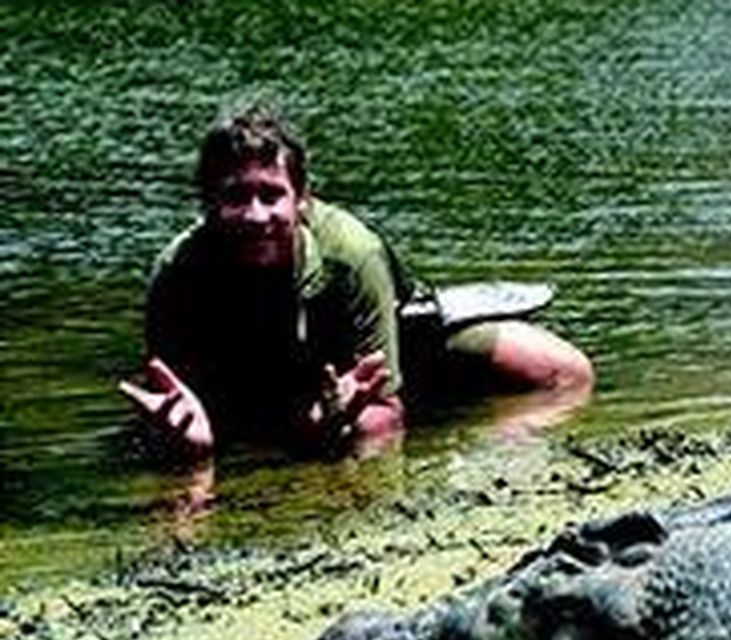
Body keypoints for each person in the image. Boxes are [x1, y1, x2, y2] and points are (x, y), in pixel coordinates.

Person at [119, 104, 593, 464]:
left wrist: (341, 418)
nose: (256, 216)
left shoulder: (351, 254)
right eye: (236, 197)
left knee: (567, 373)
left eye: (272, 195)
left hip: (396, 346)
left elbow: (384, 412)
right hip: (251, 373)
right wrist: (190, 446)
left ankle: (456, 448)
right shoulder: (177, 274)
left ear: (302, 200)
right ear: (207, 203)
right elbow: (173, 406)